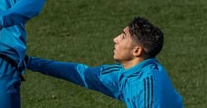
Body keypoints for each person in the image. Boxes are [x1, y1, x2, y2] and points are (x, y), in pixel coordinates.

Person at [26, 16, 184, 108]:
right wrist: (30, 62)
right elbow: (81, 74)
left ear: (137, 51)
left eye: (122, 36)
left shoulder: (148, 88)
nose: (115, 39)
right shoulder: (124, 73)